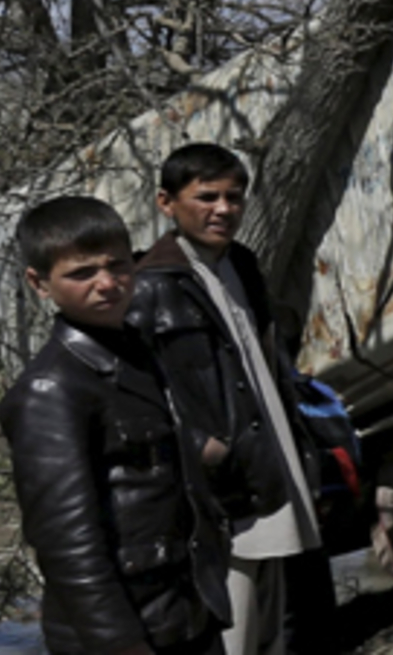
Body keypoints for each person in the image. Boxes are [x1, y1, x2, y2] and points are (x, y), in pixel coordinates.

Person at [2, 196, 230, 655]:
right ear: (39, 283)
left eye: (117, 265)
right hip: (122, 634)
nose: (106, 283)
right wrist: (120, 645)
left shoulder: (135, 352)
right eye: (81, 273)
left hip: (183, 614)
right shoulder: (51, 389)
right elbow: (69, 547)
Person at [126, 143, 324, 655]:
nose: (223, 209)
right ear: (166, 203)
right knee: (230, 629)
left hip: (269, 468)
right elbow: (135, 393)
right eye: (207, 197)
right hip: (222, 489)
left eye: (234, 198)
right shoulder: (150, 286)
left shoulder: (240, 263)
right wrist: (201, 448)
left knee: (272, 625)